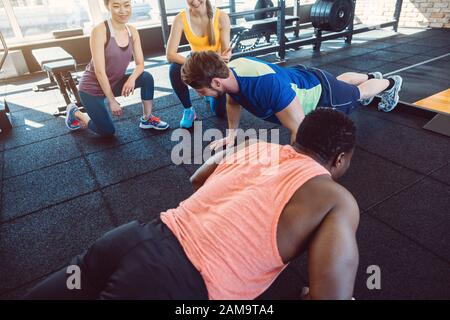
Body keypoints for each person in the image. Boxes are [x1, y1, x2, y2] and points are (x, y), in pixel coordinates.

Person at [25, 108, 360, 300]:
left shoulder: (255, 146)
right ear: (341, 158)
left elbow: (198, 179)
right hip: (173, 287)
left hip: (132, 239)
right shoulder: (337, 200)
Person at [181, 51, 403, 150]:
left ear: (217, 82)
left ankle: (390, 84)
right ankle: (372, 77)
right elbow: (232, 102)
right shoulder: (231, 73)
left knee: (358, 95)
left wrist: (290, 170)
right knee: (340, 83)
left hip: (321, 96)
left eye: (201, 91)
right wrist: (231, 135)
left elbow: (299, 129)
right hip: (306, 78)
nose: (201, 96)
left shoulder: (265, 87)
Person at [66, 0, 169, 136]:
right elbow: (100, 72)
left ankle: (147, 118)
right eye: (116, 6)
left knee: (146, 77)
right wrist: (112, 100)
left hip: (113, 83)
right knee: (107, 132)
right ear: (107, 7)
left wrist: (132, 79)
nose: (123, 11)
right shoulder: (100, 31)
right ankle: (77, 112)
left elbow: (140, 64)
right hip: (91, 89)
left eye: (126, 5)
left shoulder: (132, 31)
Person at [166, 0, 231, 129]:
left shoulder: (222, 17)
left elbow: (225, 52)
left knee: (220, 112)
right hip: (196, 65)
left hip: (214, 69)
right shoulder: (180, 18)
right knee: (174, 69)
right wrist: (197, 64)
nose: (194, 2)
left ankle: (208, 91)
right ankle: (189, 109)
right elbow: (170, 55)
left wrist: (226, 56)